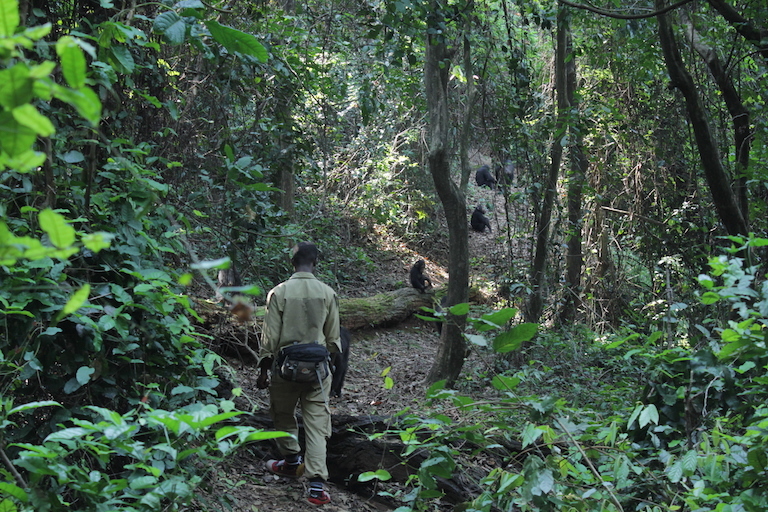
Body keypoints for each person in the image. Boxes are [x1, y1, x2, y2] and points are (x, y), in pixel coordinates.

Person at [256, 242, 341, 506]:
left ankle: (292, 462)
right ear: (315, 262)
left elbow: (269, 338)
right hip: (318, 372)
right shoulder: (327, 293)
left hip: (285, 369)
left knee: (281, 413)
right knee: (317, 425)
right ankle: (316, 488)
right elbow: (333, 339)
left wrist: (262, 369)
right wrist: (331, 369)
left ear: (291, 263)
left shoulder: (279, 292)